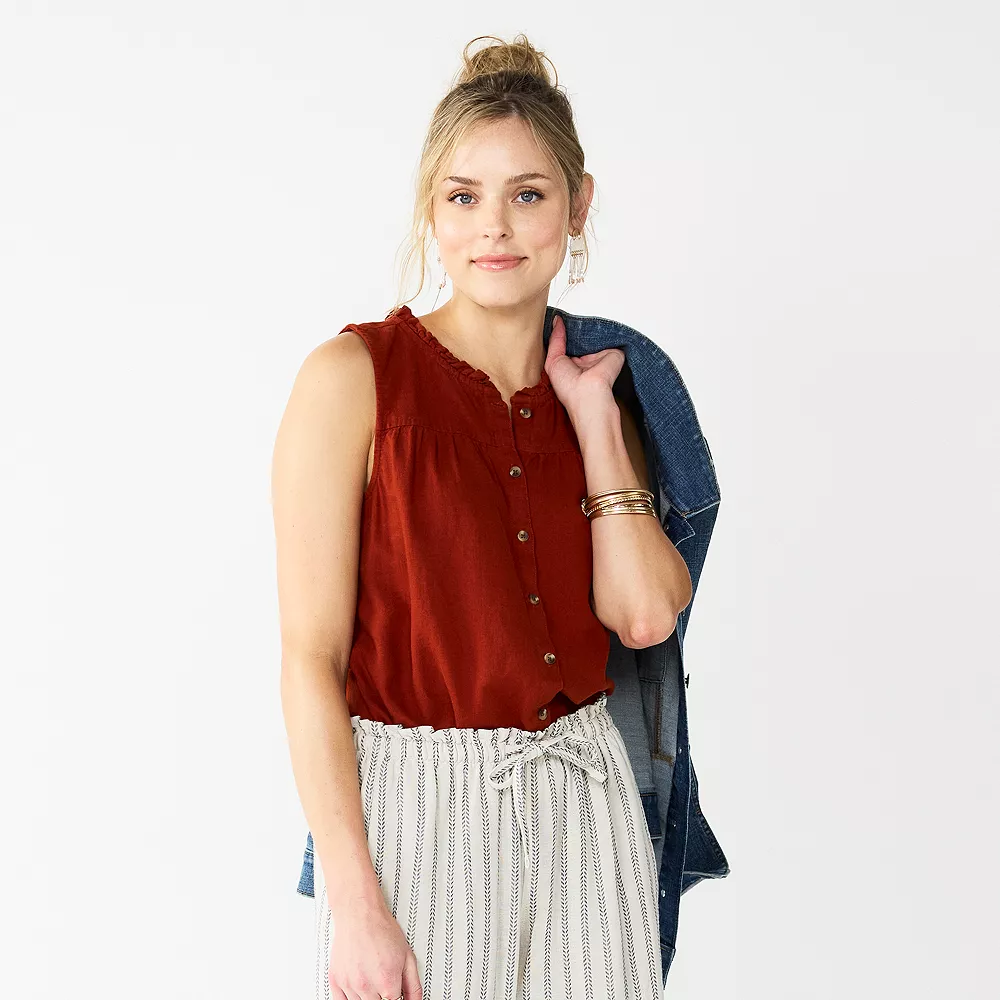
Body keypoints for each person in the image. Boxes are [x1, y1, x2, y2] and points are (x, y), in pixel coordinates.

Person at [272, 33, 694, 1000]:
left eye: (528, 195)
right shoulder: (352, 380)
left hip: (586, 801)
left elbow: (641, 617)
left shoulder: (612, 387)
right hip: (418, 810)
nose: (494, 228)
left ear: (578, 206)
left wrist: (594, 422)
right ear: (431, 208)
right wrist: (356, 901)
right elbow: (309, 661)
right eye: (464, 197)